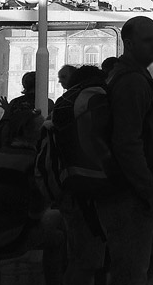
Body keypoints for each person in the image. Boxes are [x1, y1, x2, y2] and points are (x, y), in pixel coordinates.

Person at [100, 15, 153, 284]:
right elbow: (127, 144)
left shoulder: (128, 76)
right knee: (131, 269)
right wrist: (148, 190)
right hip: (130, 195)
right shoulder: (132, 83)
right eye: (147, 40)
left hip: (133, 191)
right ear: (128, 43)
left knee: (151, 258)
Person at [0, 109, 64, 284]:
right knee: (58, 235)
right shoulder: (32, 160)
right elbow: (37, 205)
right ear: (32, 132)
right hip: (10, 236)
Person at [54, 65, 108, 285]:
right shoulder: (99, 98)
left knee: (79, 254)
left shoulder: (62, 103)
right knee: (90, 260)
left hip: (69, 184)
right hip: (96, 186)